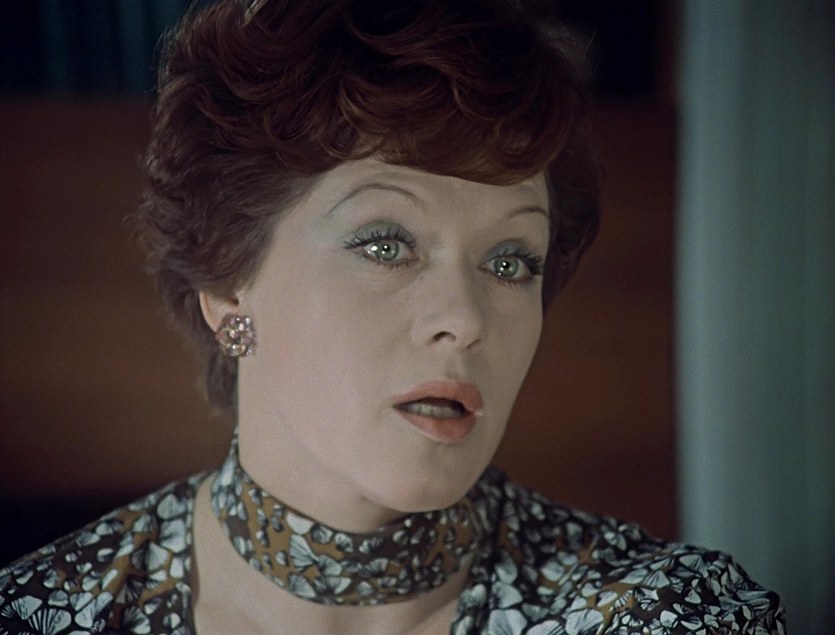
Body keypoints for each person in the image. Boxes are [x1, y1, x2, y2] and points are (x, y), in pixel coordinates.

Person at [0, 0, 785, 633]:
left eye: (510, 261)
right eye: (384, 243)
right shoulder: (45, 612)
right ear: (230, 287)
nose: (464, 318)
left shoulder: (663, 615)